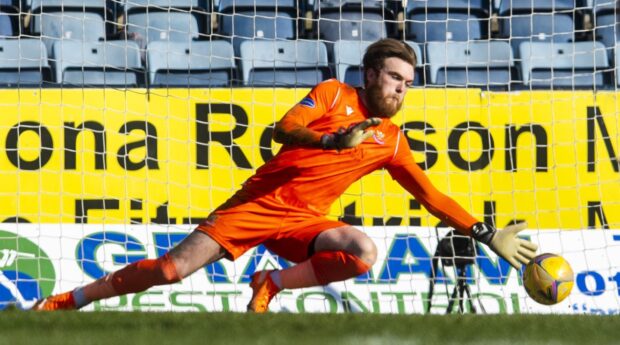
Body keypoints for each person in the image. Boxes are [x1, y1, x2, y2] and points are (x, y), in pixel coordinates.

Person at [32, 38, 538, 313]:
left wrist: (483, 231)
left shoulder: (393, 141)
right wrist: (330, 141)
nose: (402, 90)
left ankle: (271, 283)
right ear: (368, 75)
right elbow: (282, 129)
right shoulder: (332, 94)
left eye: (408, 83)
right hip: (255, 205)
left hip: (305, 221)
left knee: (362, 251)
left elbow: (432, 196)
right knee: (169, 271)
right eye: (394, 77)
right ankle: (69, 299)